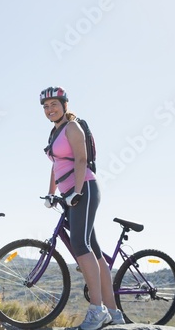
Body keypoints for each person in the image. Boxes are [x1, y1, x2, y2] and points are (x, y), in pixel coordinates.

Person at [40, 86, 125, 330]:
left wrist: (76, 192)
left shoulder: (73, 127)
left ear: (65, 105)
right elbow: (56, 166)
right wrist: (51, 193)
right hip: (71, 193)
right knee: (94, 251)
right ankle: (113, 313)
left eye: (54, 104)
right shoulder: (54, 133)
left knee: (80, 244)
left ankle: (96, 310)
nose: (50, 110)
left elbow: (80, 159)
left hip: (84, 187)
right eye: (46, 107)